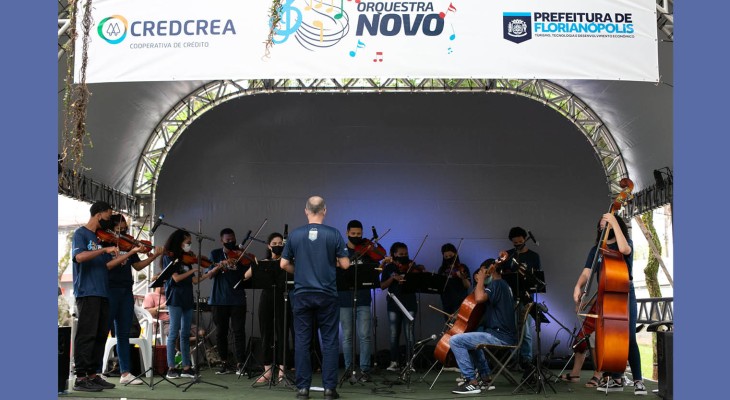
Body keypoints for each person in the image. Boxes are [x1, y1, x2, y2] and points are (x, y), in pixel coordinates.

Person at [280, 196, 350, 400]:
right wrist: (329, 265)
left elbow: (283, 264)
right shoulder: (334, 234)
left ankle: (303, 389)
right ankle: (329, 389)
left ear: (306, 211)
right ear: (325, 211)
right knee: (329, 341)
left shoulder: (295, 235)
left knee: (302, 341)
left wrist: (300, 270)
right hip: (327, 294)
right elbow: (345, 265)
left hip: (302, 294)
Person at [569, 213, 647, 395]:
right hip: (606, 295)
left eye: (607, 223)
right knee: (611, 337)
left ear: (615, 225)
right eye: (601, 224)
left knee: (628, 337)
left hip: (626, 293)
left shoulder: (626, 243)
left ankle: (638, 380)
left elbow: (624, 249)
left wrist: (613, 221)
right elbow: (587, 273)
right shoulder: (596, 249)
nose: (603, 226)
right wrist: (577, 286)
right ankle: (616, 378)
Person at [71, 201, 137, 392]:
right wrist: (104, 250)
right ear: (98, 214)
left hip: (103, 292)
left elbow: (107, 265)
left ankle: (93, 374)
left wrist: (129, 253)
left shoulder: (99, 238)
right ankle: (80, 378)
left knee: (100, 335)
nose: (109, 220)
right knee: (87, 334)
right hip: (87, 291)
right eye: (108, 216)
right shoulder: (81, 234)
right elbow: (80, 257)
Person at [104, 214, 164, 385]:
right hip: (110, 289)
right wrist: (130, 251)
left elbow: (137, 266)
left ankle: (125, 373)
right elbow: (108, 266)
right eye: (119, 229)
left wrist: (153, 256)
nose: (123, 232)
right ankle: (96, 372)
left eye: (125, 229)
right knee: (104, 329)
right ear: (111, 228)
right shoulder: (105, 243)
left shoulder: (128, 243)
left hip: (126, 290)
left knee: (123, 332)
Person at [450, 259, 517, 395]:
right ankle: (485, 378)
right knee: (471, 341)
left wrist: (480, 280)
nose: (480, 273)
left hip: (500, 336)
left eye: (481, 270)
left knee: (455, 340)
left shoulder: (497, 284)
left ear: (490, 270)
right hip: (501, 334)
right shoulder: (502, 285)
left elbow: (479, 298)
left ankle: (471, 382)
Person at [338, 220, 383, 382]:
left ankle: (365, 370)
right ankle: (349, 369)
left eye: (359, 234)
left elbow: (376, 266)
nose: (357, 237)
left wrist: (378, 262)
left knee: (365, 336)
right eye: (353, 234)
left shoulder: (367, 250)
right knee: (347, 336)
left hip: (363, 298)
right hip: (344, 299)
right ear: (347, 233)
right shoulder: (340, 251)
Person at [162, 229, 210, 379]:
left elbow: (194, 281)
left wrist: (209, 273)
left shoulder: (188, 259)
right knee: (174, 333)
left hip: (187, 298)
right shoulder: (169, 257)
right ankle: (171, 367)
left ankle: (186, 367)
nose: (190, 245)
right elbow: (175, 278)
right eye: (188, 242)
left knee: (185, 333)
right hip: (175, 297)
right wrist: (192, 271)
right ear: (179, 242)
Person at [244, 232, 290, 383]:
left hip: (283, 298)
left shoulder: (287, 262)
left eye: (280, 244)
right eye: (274, 244)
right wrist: (256, 264)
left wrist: (285, 262)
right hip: (267, 299)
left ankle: (282, 371)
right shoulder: (263, 261)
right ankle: (267, 371)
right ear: (268, 246)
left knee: (282, 334)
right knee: (266, 334)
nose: (277, 246)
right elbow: (246, 276)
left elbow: (295, 273)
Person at [205, 228, 250, 375]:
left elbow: (248, 273)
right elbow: (209, 275)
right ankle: (224, 362)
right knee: (221, 333)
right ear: (221, 241)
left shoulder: (240, 254)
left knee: (239, 332)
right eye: (228, 240)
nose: (231, 242)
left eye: (233, 239)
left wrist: (244, 259)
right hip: (219, 299)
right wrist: (221, 264)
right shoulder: (215, 254)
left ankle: (240, 363)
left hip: (238, 299)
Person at [499, 226, 541, 368]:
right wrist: (499, 260)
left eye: (520, 241)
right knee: (511, 329)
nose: (517, 244)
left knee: (526, 331)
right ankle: (511, 358)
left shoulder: (533, 256)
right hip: (510, 297)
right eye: (515, 242)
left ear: (525, 240)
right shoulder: (509, 254)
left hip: (526, 297)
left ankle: (526, 360)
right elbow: (498, 272)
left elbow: (537, 278)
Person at [380, 242, 423, 372]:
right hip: (394, 303)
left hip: (409, 302)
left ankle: (410, 363)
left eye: (406, 254)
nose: (404, 256)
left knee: (409, 334)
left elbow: (419, 282)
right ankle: (394, 362)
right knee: (394, 334)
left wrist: (416, 273)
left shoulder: (411, 266)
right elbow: (382, 286)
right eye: (401, 254)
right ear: (394, 254)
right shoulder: (389, 267)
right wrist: (393, 278)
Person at [436, 243, 471, 318]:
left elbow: (468, 285)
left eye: (451, 256)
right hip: (447, 303)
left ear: (455, 254)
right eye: (446, 256)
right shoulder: (442, 269)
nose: (448, 258)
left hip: (460, 303)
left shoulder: (462, 267)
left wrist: (462, 277)